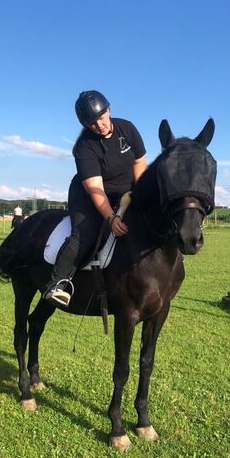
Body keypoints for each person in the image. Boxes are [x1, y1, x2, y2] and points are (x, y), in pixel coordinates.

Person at [43, 90, 147, 306]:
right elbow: (95, 189)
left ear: (108, 110)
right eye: (92, 123)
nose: (99, 125)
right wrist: (111, 218)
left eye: (101, 117)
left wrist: (140, 192)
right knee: (85, 234)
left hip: (125, 191)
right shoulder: (84, 147)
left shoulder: (127, 128)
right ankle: (58, 284)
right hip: (90, 196)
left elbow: (139, 162)